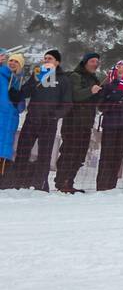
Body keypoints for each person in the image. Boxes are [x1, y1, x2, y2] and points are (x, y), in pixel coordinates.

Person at [11, 50, 71, 191]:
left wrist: (55, 115)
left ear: (57, 62)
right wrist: (20, 91)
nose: (46, 60)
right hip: (32, 119)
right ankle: (18, 182)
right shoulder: (37, 73)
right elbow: (25, 92)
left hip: (49, 122)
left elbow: (67, 103)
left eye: (49, 58)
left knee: (44, 154)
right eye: (45, 58)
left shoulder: (64, 79)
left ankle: (40, 184)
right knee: (22, 151)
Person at [54, 52, 105, 192]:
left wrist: (100, 94)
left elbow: (94, 101)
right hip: (73, 121)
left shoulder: (94, 79)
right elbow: (75, 95)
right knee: (69, 152)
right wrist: (91, 90)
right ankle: (62, 181)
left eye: (97, 61)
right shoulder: (75, 76)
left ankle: (69, 182)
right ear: (85, 62)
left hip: (87, 122)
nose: (95, 64)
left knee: (80, 154)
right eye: (92, 61)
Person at [94, 60, 123, 190]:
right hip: (110, 124)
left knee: (118, 155)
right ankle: (102, 185)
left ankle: (111, 185)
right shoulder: (109, 86)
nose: (121, 69)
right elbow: (101, 105)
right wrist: (113, 106)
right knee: (106, 155)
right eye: (118, 67)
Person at [0, 51, 25, 183]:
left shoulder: (18, 81)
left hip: (11, 119)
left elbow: (21, 108)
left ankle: (2, 179)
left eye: (16, 61)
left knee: (5, 148)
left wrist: (18, 100)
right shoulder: (1, 74)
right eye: (11, 60)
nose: (13, 63)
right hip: (1, 115)